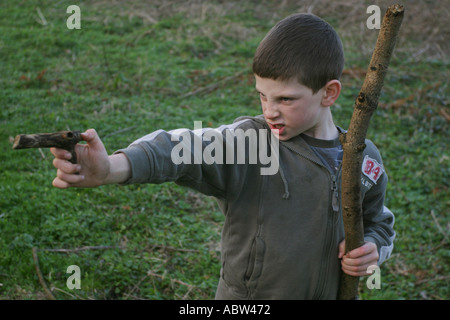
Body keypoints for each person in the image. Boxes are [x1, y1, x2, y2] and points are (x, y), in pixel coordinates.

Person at [50, 13, 395, 299]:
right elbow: (179, 148)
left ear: (329, 93)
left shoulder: (364, 161)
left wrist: (372, 249)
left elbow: (378, 221)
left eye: (286, 100)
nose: (270, 110)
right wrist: (111, 168)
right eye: (263, 96)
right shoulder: (252, 144)